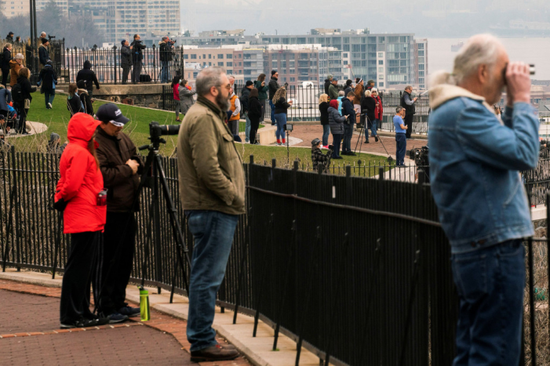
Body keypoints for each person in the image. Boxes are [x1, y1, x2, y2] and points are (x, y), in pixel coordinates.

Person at [428, 34, 539, 366]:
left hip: (477, 249)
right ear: (482, 72)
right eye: (502, 72)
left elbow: (501, 148)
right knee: (496, 354)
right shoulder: (463, 111)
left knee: (474, 350)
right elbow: (524, 153)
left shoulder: (452, 109)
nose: (505, 81)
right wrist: (521, 98)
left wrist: (507, 106)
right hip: (493, 248)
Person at [177, 66, 243, 362]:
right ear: (213, 90)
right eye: (228, 87)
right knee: (207, 277)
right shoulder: (203, 118)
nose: (232, 92)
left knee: (204, 276)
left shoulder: (206, 115)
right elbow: (207, 168)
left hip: (212, 208)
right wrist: (232, 194)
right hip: (214, 209)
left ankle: (203, 337)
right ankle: (203, 341)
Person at [54, 113, 108, 329]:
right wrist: (60, 196)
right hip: (84, 215)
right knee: (78, 267)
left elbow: (67, 181)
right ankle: (72, 314)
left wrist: (60, 194)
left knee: (83, 267)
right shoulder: (80, 152)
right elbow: (73, 184)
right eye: (92, 128)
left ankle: (81, 310)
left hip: (88, 215)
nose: (95, 131)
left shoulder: (78, 150)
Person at [94, 103, 143, 323]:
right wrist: (128, 169)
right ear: (102, 124)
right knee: (110, 259)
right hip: (110, 210)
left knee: (125, 258)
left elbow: (136, 158)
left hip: (128, 207)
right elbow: (102, 175)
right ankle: (106, 305)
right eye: (114, 125)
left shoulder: (123, 139)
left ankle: (119, 301)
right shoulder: (96, 144)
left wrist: (137, 165)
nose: (119, 128)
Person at [14, 67, 35, 134]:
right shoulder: (25, 81)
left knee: (21, 115)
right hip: (25, 99)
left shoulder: (19, 79)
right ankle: (22, 129)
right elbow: (29, 89)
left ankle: (19, 129)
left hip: (20, 99)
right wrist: (34, 89)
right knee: (23, 115)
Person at [340, 91, 357, 156]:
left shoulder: (344, 102)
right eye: (353, 98)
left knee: (345, 136)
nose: (353, 99)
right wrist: (354, 110)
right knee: (348, 136)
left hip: (346, 121)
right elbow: (349, 112)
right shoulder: (347, 103)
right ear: (350, 96)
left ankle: (344, 149)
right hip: (349, 121)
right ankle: (348, 149)